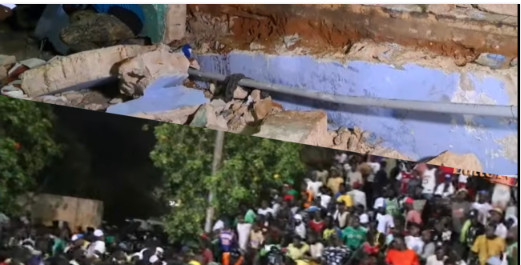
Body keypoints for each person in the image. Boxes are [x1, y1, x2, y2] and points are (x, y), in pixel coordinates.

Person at [60, 4, 146, 53]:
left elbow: (71, 7)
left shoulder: (88, 10)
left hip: (118, 16)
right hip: (135, 26)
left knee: (68, 34)